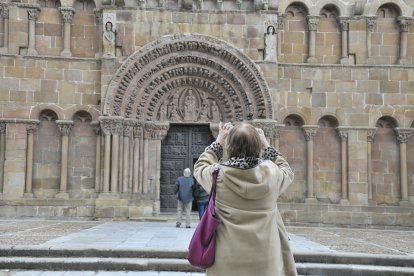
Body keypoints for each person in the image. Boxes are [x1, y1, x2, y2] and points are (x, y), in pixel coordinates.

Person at [193, 122, 297, 276]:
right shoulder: (272, 174)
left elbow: (200, 166)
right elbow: (286, 170)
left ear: (230, 146)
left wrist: (219, 141)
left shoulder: (217, 175)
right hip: (266, 259)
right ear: (257, 146)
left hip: (227, 259)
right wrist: (266, 145)